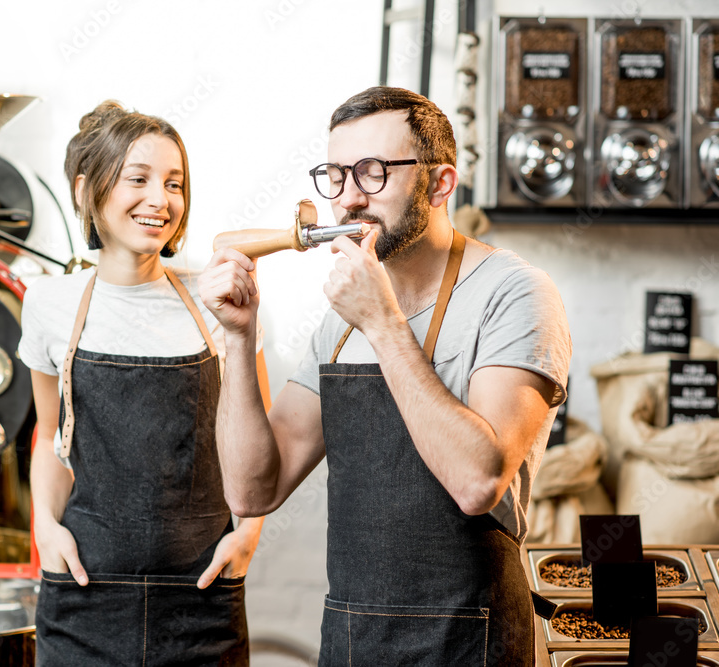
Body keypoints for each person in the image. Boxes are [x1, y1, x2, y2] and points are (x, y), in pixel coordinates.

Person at [198, 86, 571, 664]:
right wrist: (240, 338)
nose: (347, 199)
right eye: (336, 175)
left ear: (440, 183)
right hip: (354, 643)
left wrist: (383, 322)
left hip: (469, 644)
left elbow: (478, 483)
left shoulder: (515, 295)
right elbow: (252, 490)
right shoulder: (340, 323)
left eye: (372, 173)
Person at [19, 101, 266, 666]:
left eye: (174, 183)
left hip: (202, 596)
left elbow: (259, 443)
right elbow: (51, 437)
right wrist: (45, 529)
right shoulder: (49, 303)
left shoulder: (218, 300)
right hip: (83, 596)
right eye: (140, 179)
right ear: (87, 190)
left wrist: (247, 533)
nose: (161, 199)